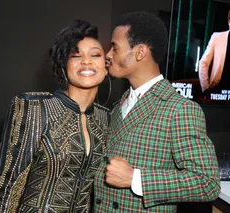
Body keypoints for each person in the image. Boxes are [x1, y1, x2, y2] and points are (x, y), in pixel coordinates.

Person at [93, 11, 220, 212]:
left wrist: (135, 178)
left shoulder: (180, 109)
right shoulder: (119, 106)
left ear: (140, 52)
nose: (108, 54)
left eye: (115, 47)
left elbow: (207, 183)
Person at [0, 20, 110, 213]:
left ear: (106, 65)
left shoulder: (107, 118)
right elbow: (8, 184)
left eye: (95, 54)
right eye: (75, 55)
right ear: (64, 64)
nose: (86, 61)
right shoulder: (34, 108)